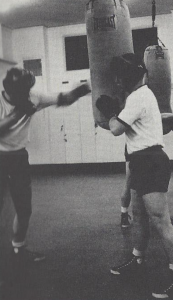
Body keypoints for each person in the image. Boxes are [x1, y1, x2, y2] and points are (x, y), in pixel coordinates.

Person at [96, 53, 173, 299]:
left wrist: (111, 114)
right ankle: (137, 259)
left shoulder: (138, 97)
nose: (117, 83)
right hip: (140, 160)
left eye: (119, 78)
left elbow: (115, 129)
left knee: (160, 220)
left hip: (151, 161)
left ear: (127, 77)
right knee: (140, 217)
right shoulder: (141, 96)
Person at [0, 67, 90, 262]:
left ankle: (19, 247)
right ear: (11, 90)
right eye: (22, 93)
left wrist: (84, 89)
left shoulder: (32, 96)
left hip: (18, 157)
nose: (26, 95)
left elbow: (62, 99)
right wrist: (17, 115)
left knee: (24, 208)